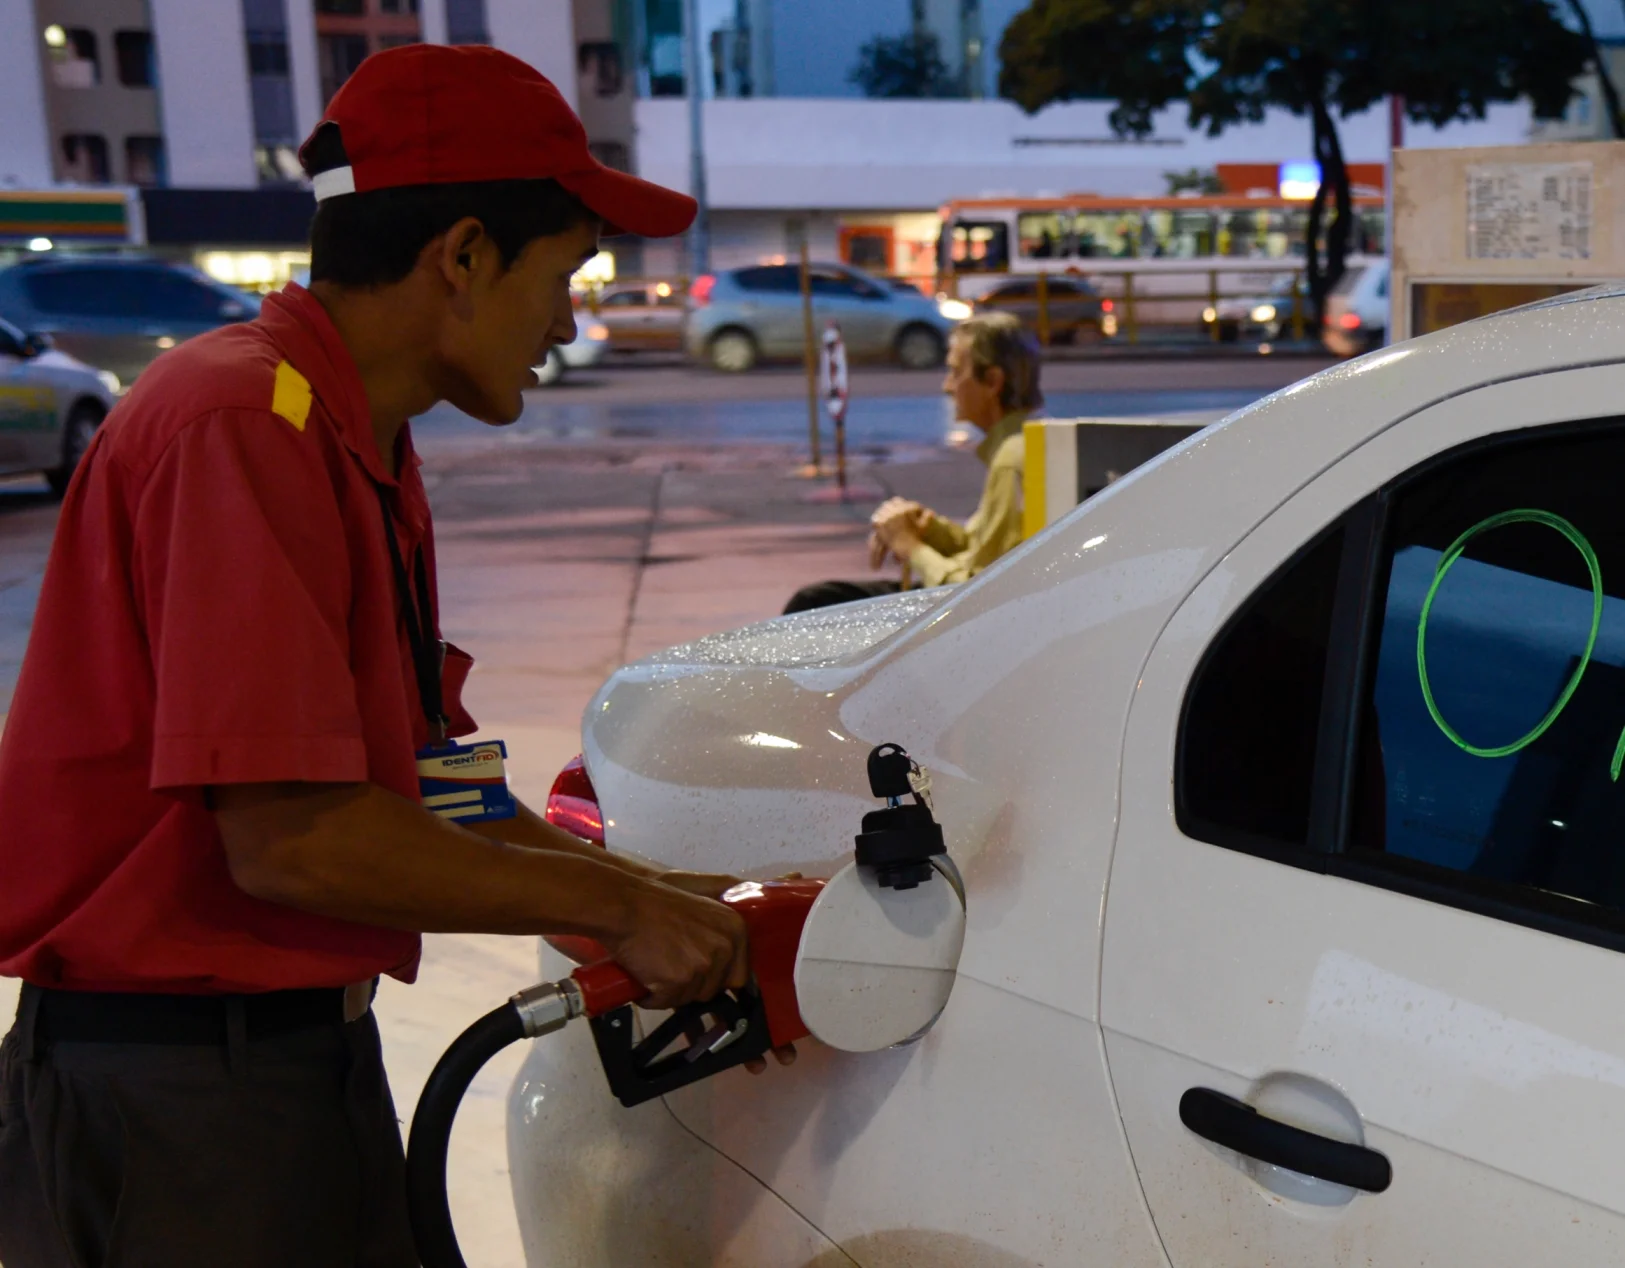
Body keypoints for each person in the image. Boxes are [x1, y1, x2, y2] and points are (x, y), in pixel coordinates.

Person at [0, 45, 774, 1268]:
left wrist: (674, 896)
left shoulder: (355, 438)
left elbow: (428, 785)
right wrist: (616, 905)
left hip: (285, 1065)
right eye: (564, 275)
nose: (568, 321)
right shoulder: (241, 424)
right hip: (178, 1103)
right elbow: (294, 836)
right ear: (461, 257)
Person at [784, 312, 1041, 614]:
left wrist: (910, 547)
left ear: (993, 381)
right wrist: (928, 528)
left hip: (966, 610)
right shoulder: (1021, 442)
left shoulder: (1013, 457)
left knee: (814, 604)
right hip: (964, 591)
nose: (948, 386)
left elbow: (978, 593)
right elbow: (982, 546)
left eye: (956, 373)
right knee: (822, 598)